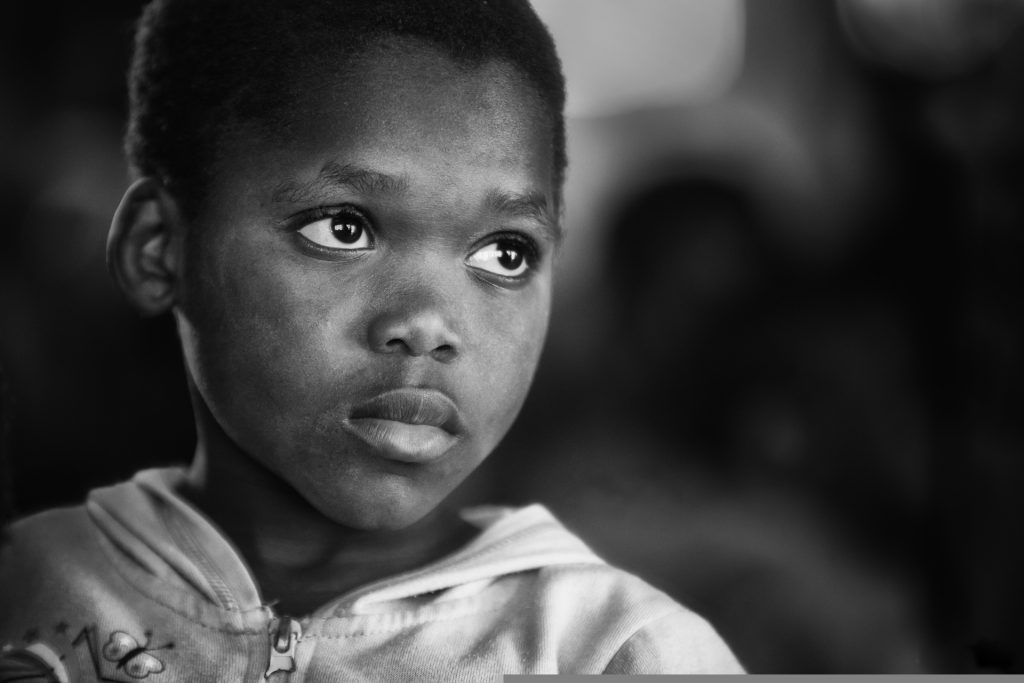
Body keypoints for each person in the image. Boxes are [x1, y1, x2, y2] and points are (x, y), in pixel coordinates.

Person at [0, 0, 743, 678]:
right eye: (343, 228)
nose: (427, 324)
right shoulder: (31, 582)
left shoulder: (613, 650)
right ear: (159, 249)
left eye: (504, 253)